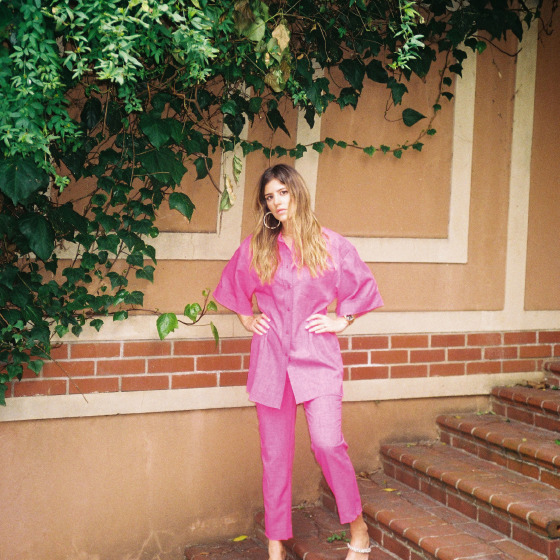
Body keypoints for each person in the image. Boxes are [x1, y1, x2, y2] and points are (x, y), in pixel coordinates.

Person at [213, 164, 383, 560]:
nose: (276, 202)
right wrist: (246, 318)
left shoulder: (330, 244)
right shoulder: (258, 247)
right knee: (275, 458)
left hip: (317, 357)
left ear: (297, 193)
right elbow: (234, 286)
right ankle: (275, 548)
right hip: (271, 360)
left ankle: (357, 527)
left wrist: (343, 320)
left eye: (282, 192)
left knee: (327, 443)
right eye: (269, 197)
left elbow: (362, 287)